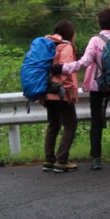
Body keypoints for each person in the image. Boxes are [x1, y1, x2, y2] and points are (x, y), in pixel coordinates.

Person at [56, 7, 110, 170]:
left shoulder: (95, 41)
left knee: (96, 121)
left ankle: (96, 159)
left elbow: (84, 63)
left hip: (99, 86)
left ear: (100, 23)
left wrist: (61, 68)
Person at [42, 20, 79, 173]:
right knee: (70, 126)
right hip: (61, 92)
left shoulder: (47, 45)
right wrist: (71, 93)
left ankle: (49, 160)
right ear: (71, 35)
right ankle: (62, 160)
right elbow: (66, 71)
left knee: (53, 125)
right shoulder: (66, 47)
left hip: (47, 91)